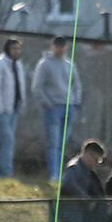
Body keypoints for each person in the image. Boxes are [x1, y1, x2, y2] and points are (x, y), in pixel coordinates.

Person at [32, 36, 82, 182]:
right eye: (57, 46)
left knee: (62, 143)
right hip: (53, 109)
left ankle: (61, 174)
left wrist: (75, 102)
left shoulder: (69, 64)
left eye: (62, 46)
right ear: (52, 47)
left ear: (66, 48)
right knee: (53, 143)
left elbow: (77, 85)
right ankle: (54, 175)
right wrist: (47, 103)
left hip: (69, 108)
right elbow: (37, 87)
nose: (60, 49)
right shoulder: (44, 64)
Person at [0, 37, 26, 177]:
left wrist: (20, 104)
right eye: (14, 48)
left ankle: (0, 173)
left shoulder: (18, 65)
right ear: (7, 48)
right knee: (8, 141)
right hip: (0, 111)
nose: (16, 51)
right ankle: (6, 174)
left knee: (6, 142)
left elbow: (20, 86)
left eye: (18, 48)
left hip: (13, 109)